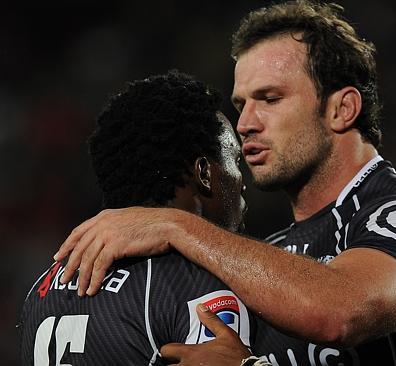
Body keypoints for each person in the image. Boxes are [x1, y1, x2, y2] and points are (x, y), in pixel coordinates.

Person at [54, 1, 396, 365]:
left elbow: (341, 313)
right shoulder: (270, 255)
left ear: (342, 109)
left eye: (270, 99)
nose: (244, 124)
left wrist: (174, 224)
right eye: (241, 104)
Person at [18, 71, 253, 365]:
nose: (242, 181)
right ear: (204, 173)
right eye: (235, 160)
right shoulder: (198, 288)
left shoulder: (42, 288)